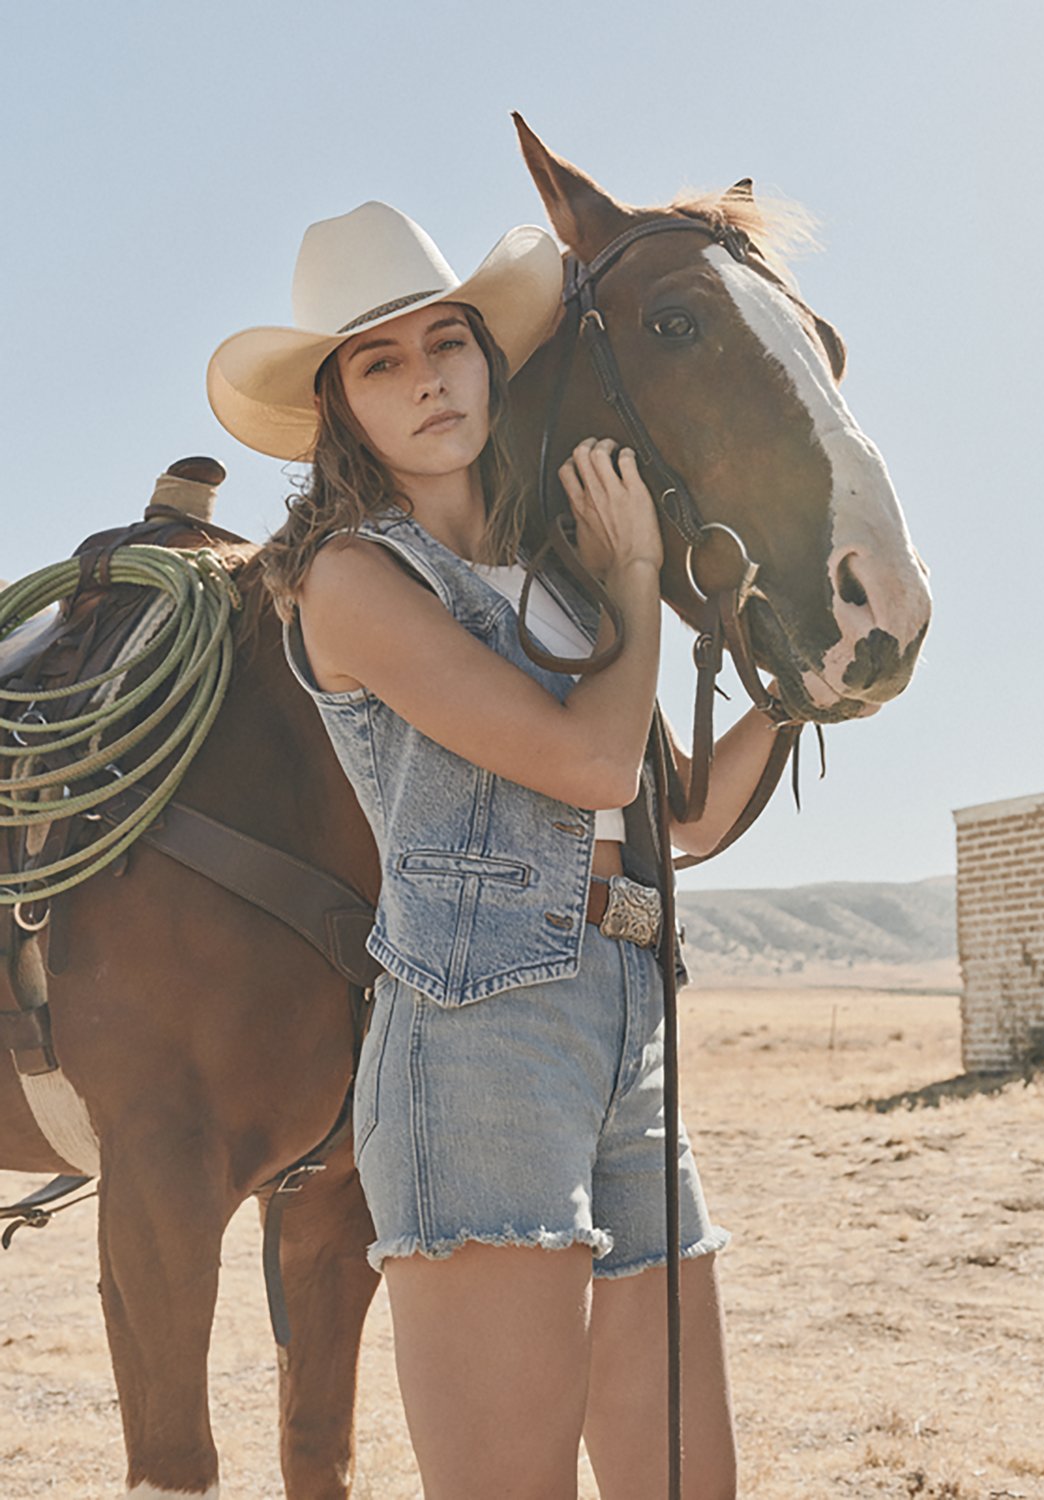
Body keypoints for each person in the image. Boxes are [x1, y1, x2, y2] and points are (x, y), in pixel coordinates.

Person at [208, 200, 784, 1500]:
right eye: (379, 361)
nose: (425, 381)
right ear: (339, 404)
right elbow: (583, 759)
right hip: (475, 1039)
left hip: (626, 1015)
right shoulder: (349, 581)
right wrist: (637, 579)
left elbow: (667, 816)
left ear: (483, 353)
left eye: (444, 343)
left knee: (688, 1483)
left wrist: (803, 691)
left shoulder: (554, 575)